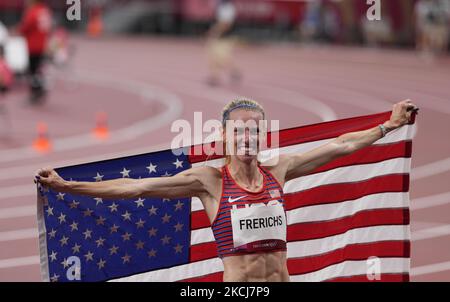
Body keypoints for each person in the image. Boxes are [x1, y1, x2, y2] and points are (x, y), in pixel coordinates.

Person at [35, 98, 418, 282]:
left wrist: (388, 125)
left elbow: (340, 146)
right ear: (223, 137)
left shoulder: (279, 169)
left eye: (254, 130)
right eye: (239, 130)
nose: (248, 137)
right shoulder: (210, 181)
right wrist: (67, 186)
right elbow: (136, 188)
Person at [19, 0, 52, 105]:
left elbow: (25, 27)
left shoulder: (33, 11)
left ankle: (35, 93)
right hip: (43, 44)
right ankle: (40, 90)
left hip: (33, 45)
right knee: (39, 70)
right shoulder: (45, 10)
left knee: (33, 71)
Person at [206, 0, 241, 87]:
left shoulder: (227, 7)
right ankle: (215, 77)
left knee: (220, 57)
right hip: (221, 37)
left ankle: (232, 71)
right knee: (214, 56)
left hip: (224, 38)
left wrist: (215, 31)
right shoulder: (222, 6)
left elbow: (226, 24)